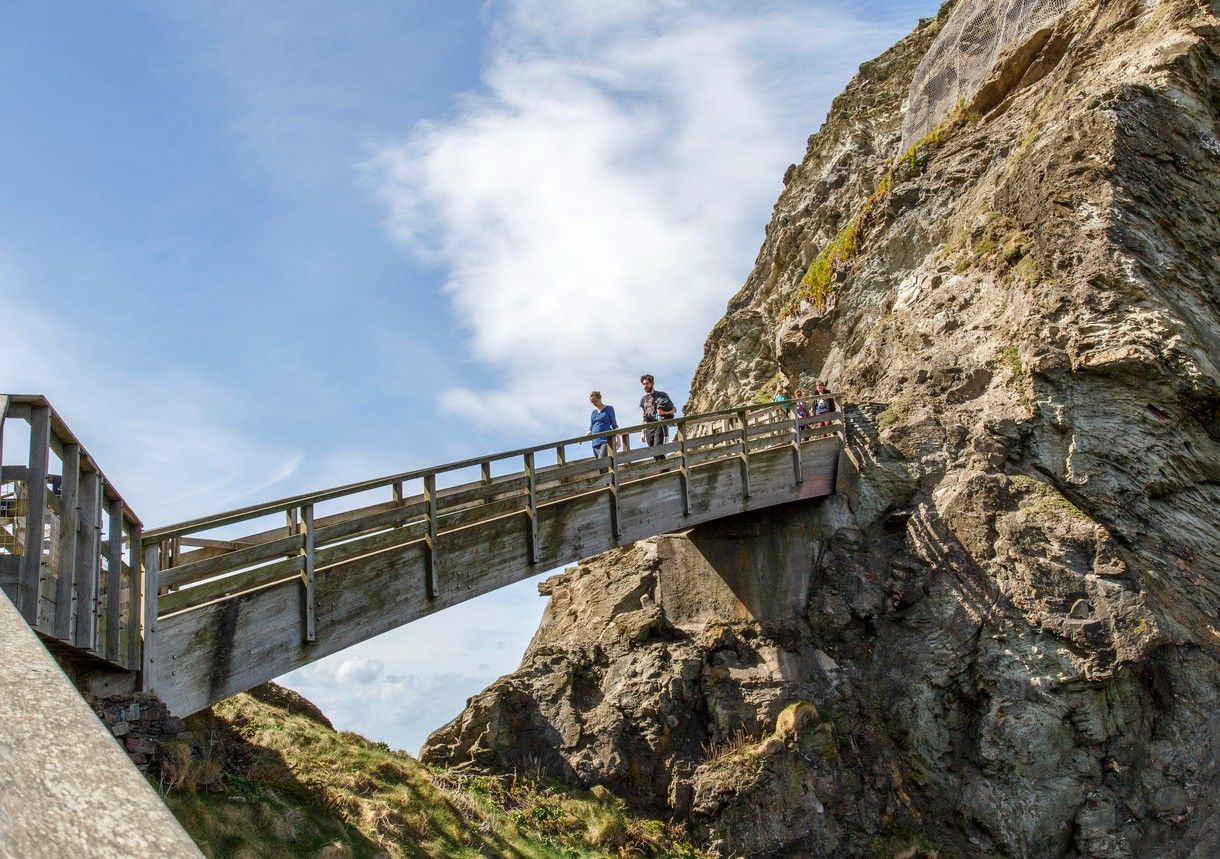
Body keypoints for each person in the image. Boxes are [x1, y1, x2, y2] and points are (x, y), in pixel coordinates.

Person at [639, 374, 676, 461]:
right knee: (653, 453)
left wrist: (665, 412)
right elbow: (643, 415)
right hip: (648, 428)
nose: (645, 386)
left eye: (647, 383)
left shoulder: (661, 395)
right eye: (643, 384)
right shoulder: (643, 400)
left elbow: (674, 410)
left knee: (659, 450)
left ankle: (665, 472)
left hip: (660, 426)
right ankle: (664, 471)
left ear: (652, 383)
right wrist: (642, 432)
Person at [587, 390, 619, 472]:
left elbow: (615, 425)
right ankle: (605, 484)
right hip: (595, 442)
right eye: (592, 402)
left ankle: (611, 481)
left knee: (602, 461)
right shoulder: (593, 413)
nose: (594, 403)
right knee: (598, 464)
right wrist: (584, 437)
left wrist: (618, 440)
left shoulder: (609, 409)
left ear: (599, 398)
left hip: (605, 440)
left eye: (595, 401)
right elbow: (591, 427)